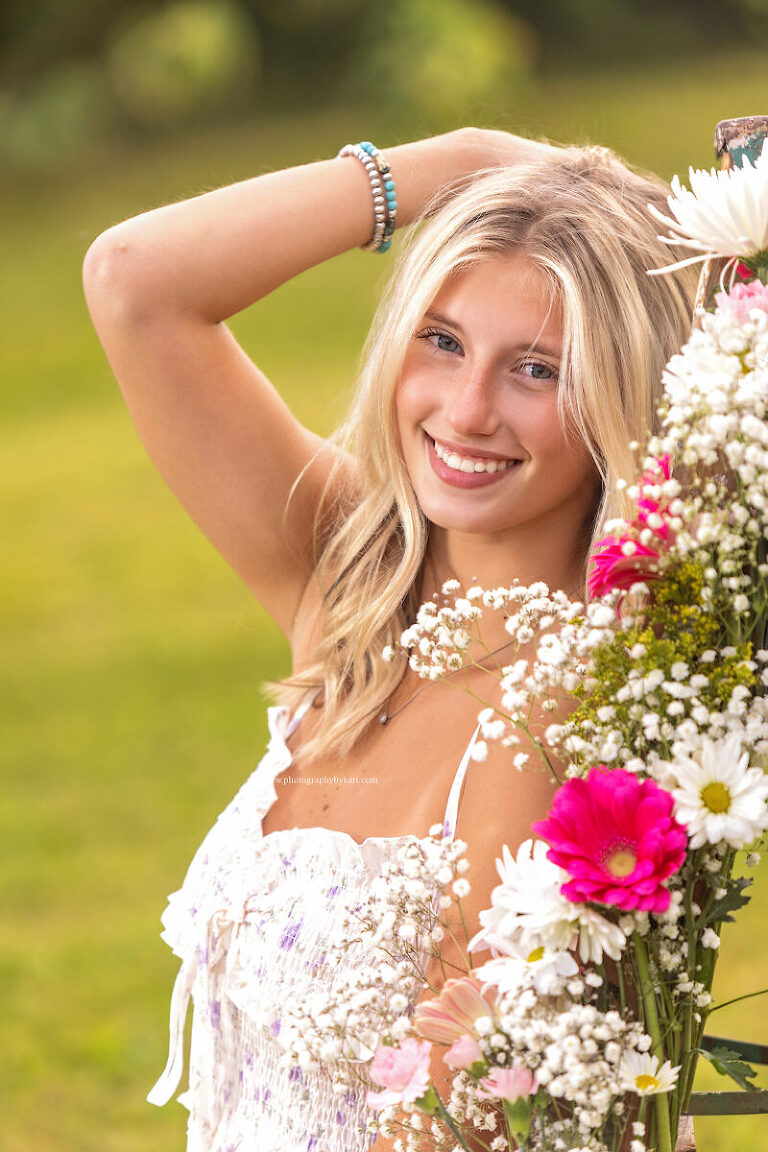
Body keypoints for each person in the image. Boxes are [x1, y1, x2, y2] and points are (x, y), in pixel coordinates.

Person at [83, 127, 697, 1152]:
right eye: (443, 340)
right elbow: (135, 282)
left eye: (537, 370)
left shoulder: (574, 707)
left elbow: (475, 1120)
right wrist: (453, 162)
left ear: (623, 396)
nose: (465, 411)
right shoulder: (355, 576)